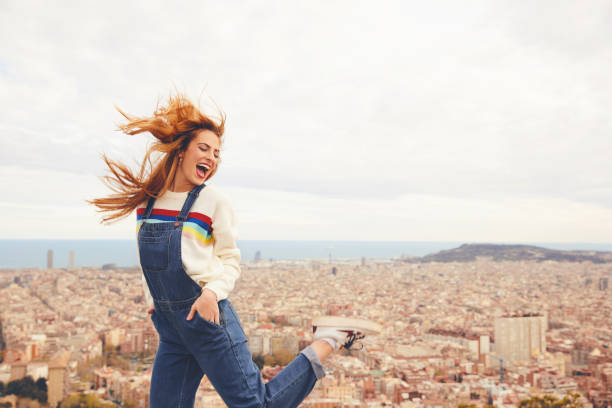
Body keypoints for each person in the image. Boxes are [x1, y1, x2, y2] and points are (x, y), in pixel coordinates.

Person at [90, 92, 380, 408]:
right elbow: (144, 256)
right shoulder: (147, 203)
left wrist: (211, 294)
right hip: (171, 329)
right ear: (181, 150)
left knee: (255, 405)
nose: (211, 158)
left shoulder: (213, 202)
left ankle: (329, 340)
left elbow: (230, 258)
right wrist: (151, 300)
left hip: (208, 320)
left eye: (216, 153)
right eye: (204, 148)